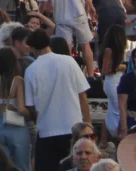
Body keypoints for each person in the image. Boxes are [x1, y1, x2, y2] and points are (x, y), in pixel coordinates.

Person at [23, 29, 90, 171]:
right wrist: (88, 123)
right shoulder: (69, 61)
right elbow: (82, 95)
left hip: (47, 130)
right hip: (73, 128)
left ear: (33, 48)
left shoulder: (31, 70)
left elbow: (30, 105)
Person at [36, 0, 95, 74]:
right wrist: (91, 6)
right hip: (79, 13)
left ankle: (69, 74)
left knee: (65, 49)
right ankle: (91, 75)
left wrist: (38, 16)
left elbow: (42, 4)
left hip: (62, 18)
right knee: (85, 46)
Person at [0, 48, 29, 171]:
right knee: (22, 166)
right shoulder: (18, 81)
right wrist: (32, 114)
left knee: (1, 166)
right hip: (17, 126)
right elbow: (21, 108)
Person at [98, 25, 127, 143]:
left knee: (112, 109)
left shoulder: (114, 51)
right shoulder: (109, 51)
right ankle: (116, 132)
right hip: (113, 82)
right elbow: (104, 71)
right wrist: (120, 67)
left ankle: (104, 140)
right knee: (118, 108)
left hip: (114, 82)